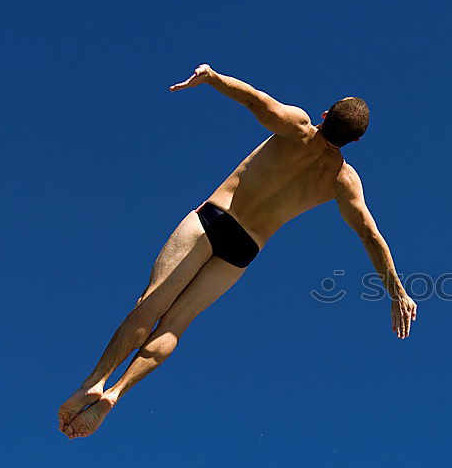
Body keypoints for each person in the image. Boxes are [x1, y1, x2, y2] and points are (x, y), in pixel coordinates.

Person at [58, 64, 417, 439]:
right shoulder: (344, 181)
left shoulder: (298, 126)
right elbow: (371, 236)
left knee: (150, 305)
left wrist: (212, 78)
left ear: (325, 113)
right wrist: (397, 292)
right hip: (244, 249)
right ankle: (115, 394)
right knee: (176, 325)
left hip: (214, 219)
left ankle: (95, 382)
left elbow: (254, 100)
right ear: (354, 142)